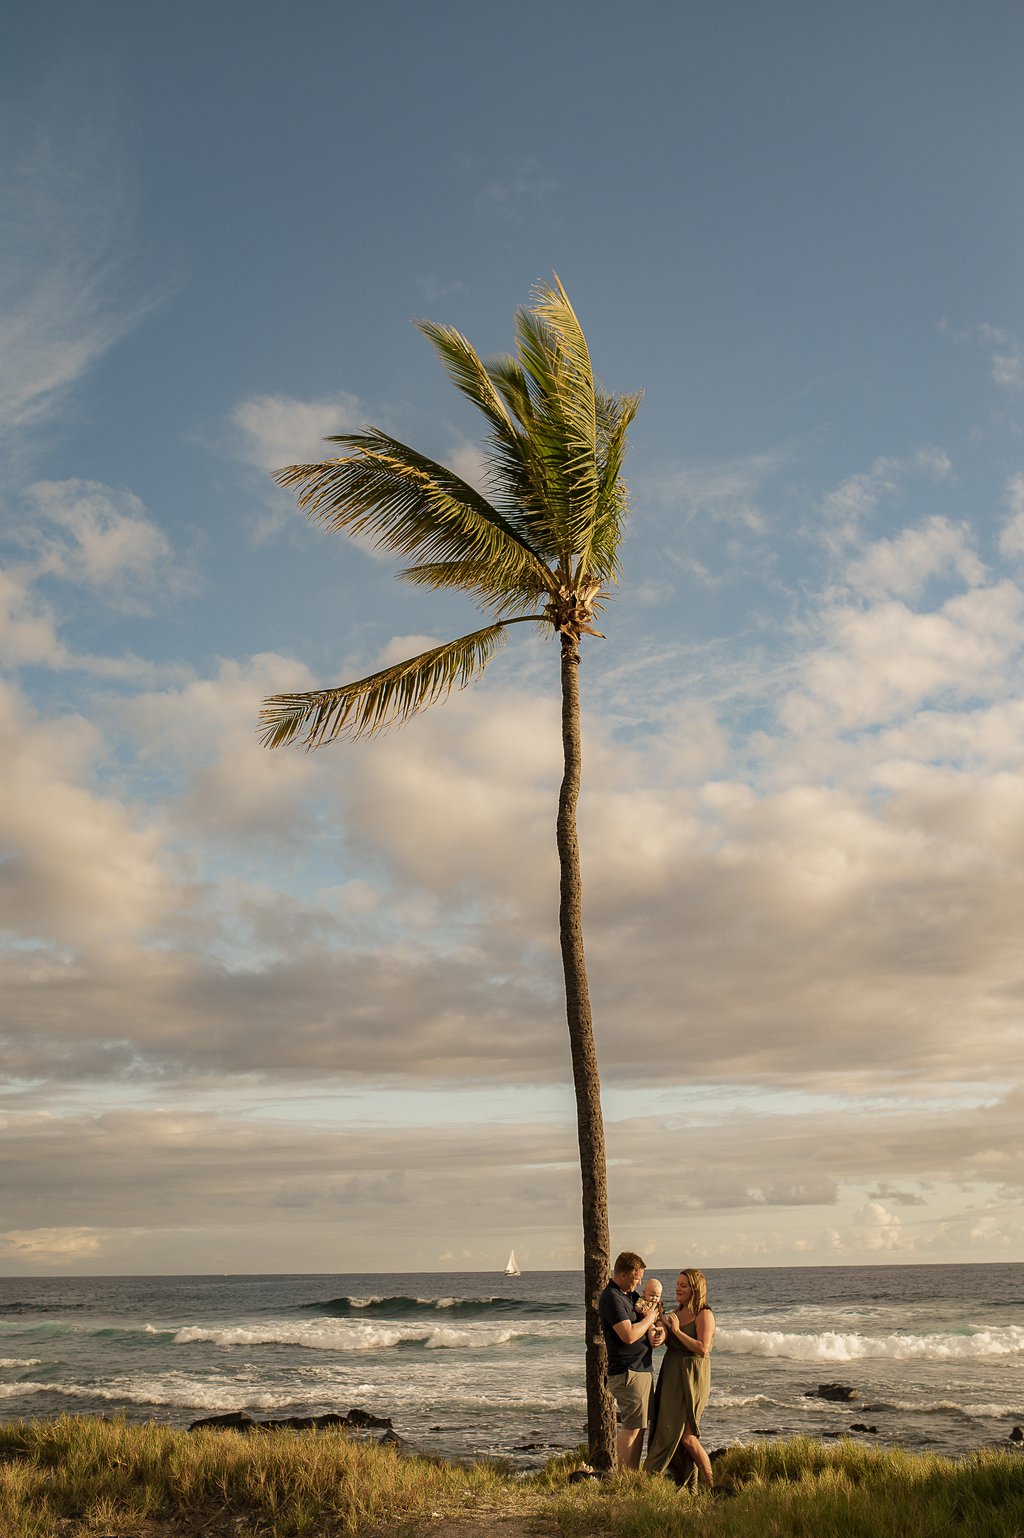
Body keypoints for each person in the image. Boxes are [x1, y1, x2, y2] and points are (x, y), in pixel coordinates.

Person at [643, 1267, 715, 1488]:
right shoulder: (675, 1312)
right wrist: (658, 1330)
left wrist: (676, 1331)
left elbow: (703, 1349)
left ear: (695, 1289)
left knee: (687, 1436)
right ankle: (683, 1482)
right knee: (666, 1428)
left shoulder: (704, 1313)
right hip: (671, 1375)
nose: (678, 1289)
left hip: (692, 1377)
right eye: (677, 1285)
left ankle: (712, 1483)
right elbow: (665, 1336)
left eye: (683, 1286)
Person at [598, 1251, 667, 1470]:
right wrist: (648, 1319)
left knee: (640, 1426)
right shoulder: (612, 1298)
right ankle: (623, 1476)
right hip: (627, 1372)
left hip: (642, 1369)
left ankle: (632, 1473)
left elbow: (655, 1315)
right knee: (631, 1426)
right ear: (625, 1274)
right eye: (637, 1278)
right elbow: (628, 1335)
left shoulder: (630, 1295)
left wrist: (661, 1332)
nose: (638, 1283)